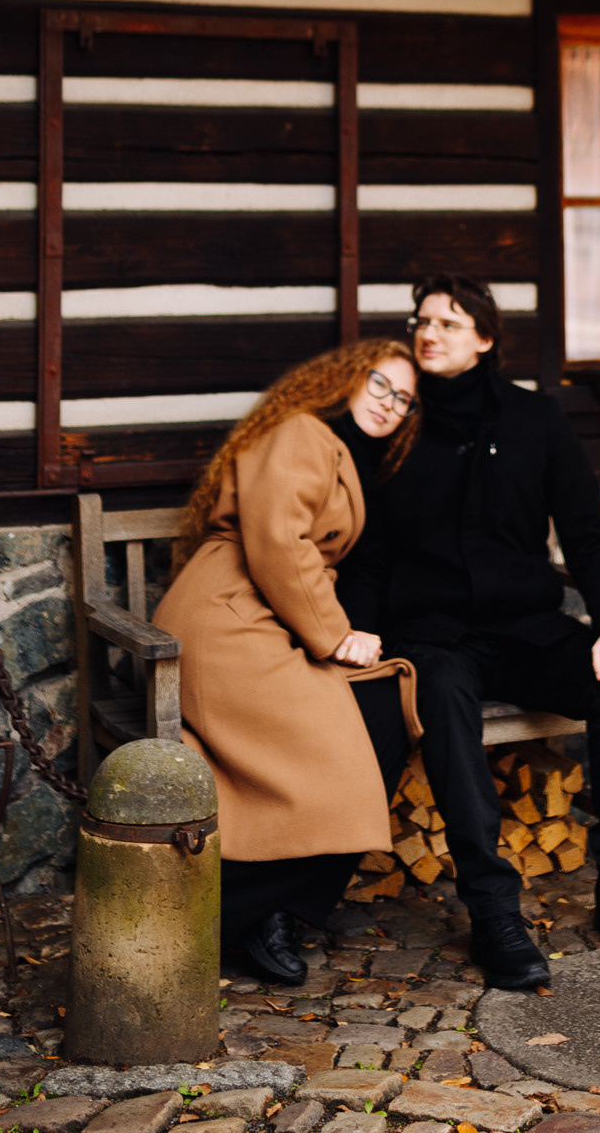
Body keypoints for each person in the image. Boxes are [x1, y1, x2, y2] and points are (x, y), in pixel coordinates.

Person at [339, 274, 600, 991]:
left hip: (526, 629)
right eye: (422, 320)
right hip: (432, 636)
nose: (428, 333)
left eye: (448, 323)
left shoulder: (533, 420)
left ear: (484, 339)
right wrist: (358, 628)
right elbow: (368, 552)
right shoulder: (397, 424)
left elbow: (587, 533)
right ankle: (492, 913)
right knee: (444, 699)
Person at [154, 337, 422, 984]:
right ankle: (239, 914)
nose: (389, 404)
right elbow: (278, 538)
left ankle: (268, 911)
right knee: (345, 747)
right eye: (380, 384)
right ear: (347, 378)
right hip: (228, 617)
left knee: (387, 712)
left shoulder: (344, 450)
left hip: (265, 614)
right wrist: (335, 636)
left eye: (404, 399)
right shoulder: (301, 430)